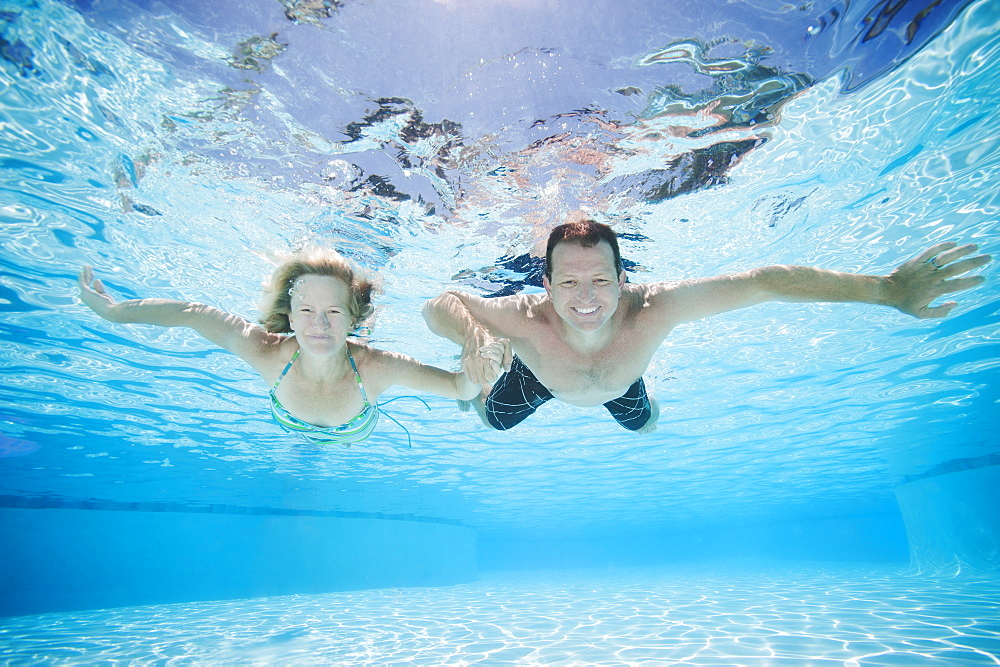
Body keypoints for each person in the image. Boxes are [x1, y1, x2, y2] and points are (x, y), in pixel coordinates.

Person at [422, 217, 991, 434]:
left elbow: (768, 281)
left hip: (622, 380)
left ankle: (641, 394)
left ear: (623, 277)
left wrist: (888, 291)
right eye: (568, 283)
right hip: (541, 375)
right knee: (489, 419)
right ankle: (467, 383)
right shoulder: (523, 317)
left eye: (600, 279)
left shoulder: (655, 308)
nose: (586, 298)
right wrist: (475, 338)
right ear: (545, 285)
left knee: (645, 429)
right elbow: (438, 303)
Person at [79, 247, 484, 448]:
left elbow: (457, 389)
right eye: (306, 310)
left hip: (354, 433)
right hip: (298, 425)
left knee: (338, 448)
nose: (319, 325)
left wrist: (476, 369)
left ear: (352, 320)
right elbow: (192, 312)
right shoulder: (268, 353)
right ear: (288, 316)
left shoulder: (375, 366)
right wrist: (114, 312)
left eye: (334, 312)